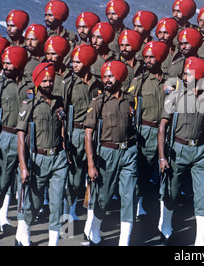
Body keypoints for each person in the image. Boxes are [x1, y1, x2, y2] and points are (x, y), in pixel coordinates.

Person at [83, 60, 138, 246]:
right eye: (104, 76)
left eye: (110, 76)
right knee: (102, 198)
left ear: (120, 77)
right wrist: (91, 164)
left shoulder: (130, 100)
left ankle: (124, 241)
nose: (106, 80)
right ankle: (94, 232)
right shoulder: (98, 102)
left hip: (128, 152)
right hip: (107, 154)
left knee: (129, 196)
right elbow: (88, 133)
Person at [158, 57, 204, 246]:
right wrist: (162, 156)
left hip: (201, 151)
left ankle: (200, 241)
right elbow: (163, 126)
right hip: (178, 149)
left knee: (202, 194)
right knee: (171, 192)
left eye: (189, 74)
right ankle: (165, 227)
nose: (184, 77)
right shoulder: (176, 96)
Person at [15, 62, 68, 246]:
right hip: (38, 159)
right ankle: (24, 235)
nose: (47, 84)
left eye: (50, 80)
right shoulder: (30, 105)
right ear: (37, 82)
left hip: (58, 159)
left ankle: (53, 242)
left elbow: (62, 127)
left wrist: (65, 149)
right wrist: (23, 167)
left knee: (57, 203)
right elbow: (20, 137)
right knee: (34, 203)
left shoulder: (59, 102)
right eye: (44, 81)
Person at [61, 44, 102, 223]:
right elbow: (61, 113)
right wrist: (64, 138)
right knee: (74, 176)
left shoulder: (99, 84)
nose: (74, 65)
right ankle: (68, 212)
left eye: (78, 62)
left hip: (95, 134)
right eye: (73, 62)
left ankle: (90, 212)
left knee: (93, 173)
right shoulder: (69, 83)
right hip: (76, 133)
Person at [128, 41, 169, 218]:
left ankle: (162, 208)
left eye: (152, 57)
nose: (148, 60)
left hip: (166, 130)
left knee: (163, 170)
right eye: (146, 57)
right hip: (146, 129)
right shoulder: (140, 80)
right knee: (142, 169)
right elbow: (129, 100)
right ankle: (137, 203)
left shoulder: (169, 81)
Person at [0, 46, 31, 239]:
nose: (6, 66)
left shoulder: (30, 86)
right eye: (5, 62)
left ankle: (22, 233)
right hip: (5, 138)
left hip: (26, 139)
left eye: (10, 63)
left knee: (25, 184)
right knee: (1, 181)